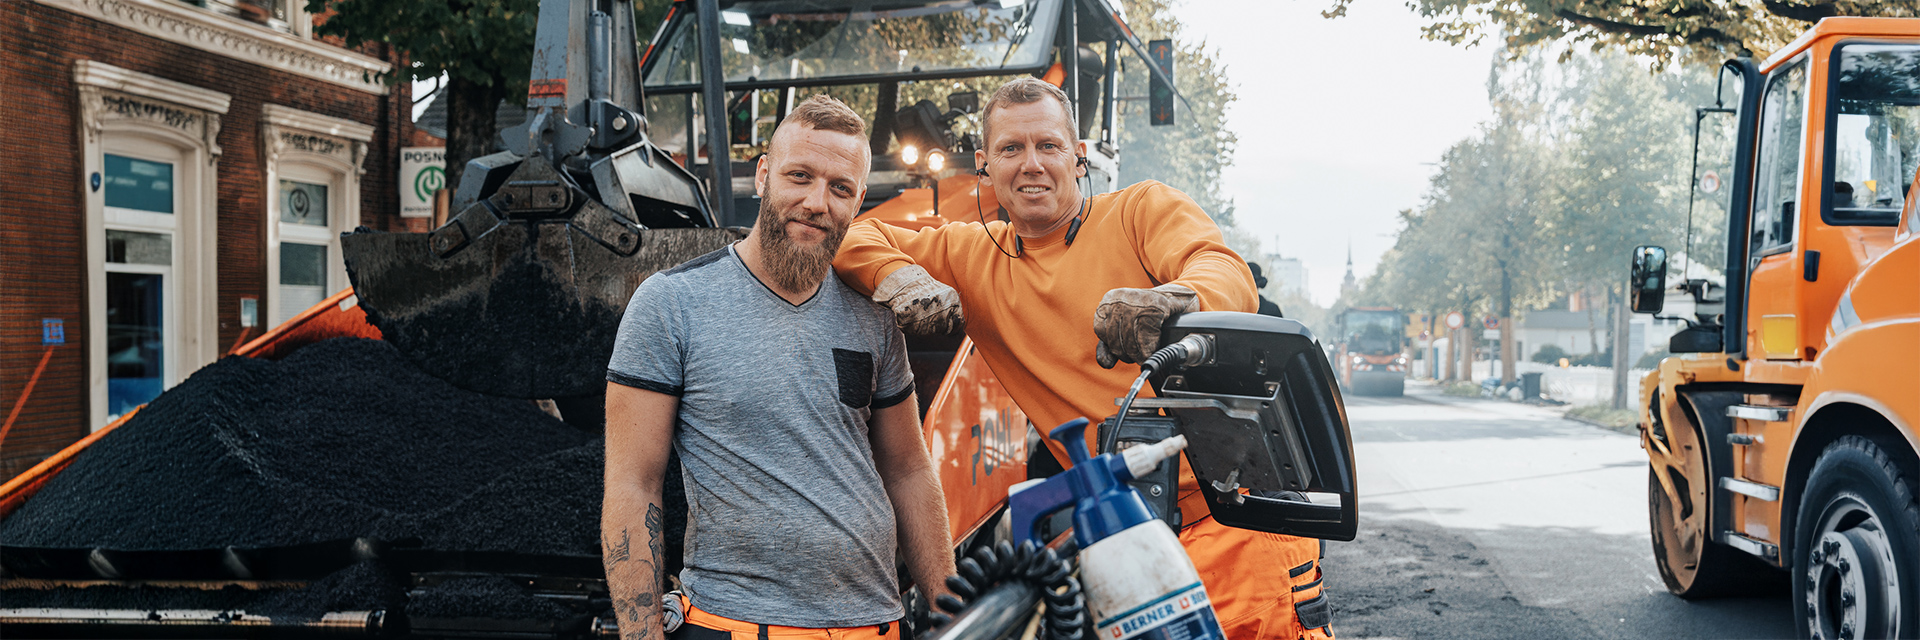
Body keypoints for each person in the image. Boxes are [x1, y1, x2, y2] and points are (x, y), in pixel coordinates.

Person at [834, 77, 1334, 640]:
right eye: (1010, 149)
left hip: (1232, 526)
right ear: (983, 164)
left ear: (1077, 157)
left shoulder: (1140, 212)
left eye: (1048, 146)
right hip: (1121, 541)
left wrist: (1173, 301)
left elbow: (1223, 271)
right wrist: (895, 275)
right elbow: (853, 233)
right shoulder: (971, 255)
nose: (1031, 165)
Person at [602, 95, 955, 640]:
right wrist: (641, 632)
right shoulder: (672, 304)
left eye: (840, 188)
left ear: (859, 200)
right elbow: (633, 482)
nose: (817, 202)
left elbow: (909, 471)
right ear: (764, 175)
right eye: (799, 176)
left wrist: (952, 610)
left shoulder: (874, 318)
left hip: (875, 626)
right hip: (733, 626)